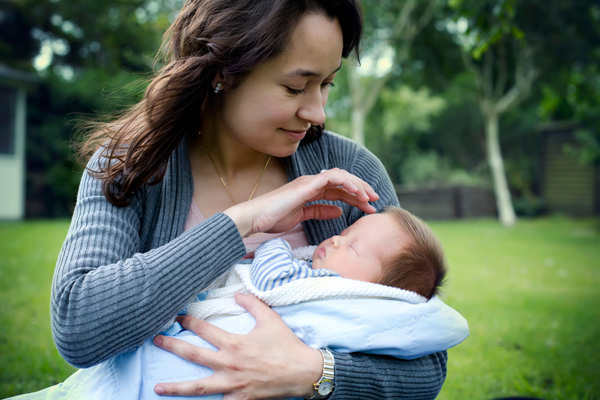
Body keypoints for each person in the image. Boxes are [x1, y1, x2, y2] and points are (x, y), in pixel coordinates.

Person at [49, 0, 449, 399]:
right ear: (223, 71)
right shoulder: (131, 165)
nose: (318, 112)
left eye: (327, 83)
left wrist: (314, 373)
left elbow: (427, 365)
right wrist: (241, 223)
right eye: (295, 87)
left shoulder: (350, 171)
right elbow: (78, 328)